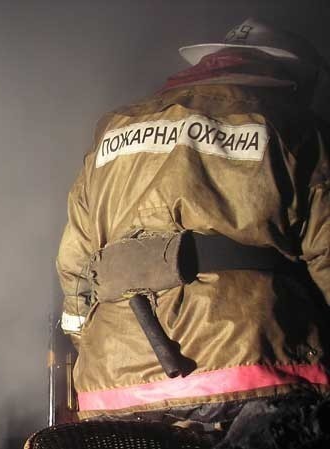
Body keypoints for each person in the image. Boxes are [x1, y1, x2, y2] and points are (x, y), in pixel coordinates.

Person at [55, 17, 330, 437]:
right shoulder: (294, 127)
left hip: (114, 380)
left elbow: (75, 265)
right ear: (291, 74)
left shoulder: (116, 127)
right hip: (254, 366)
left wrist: (97, 345)